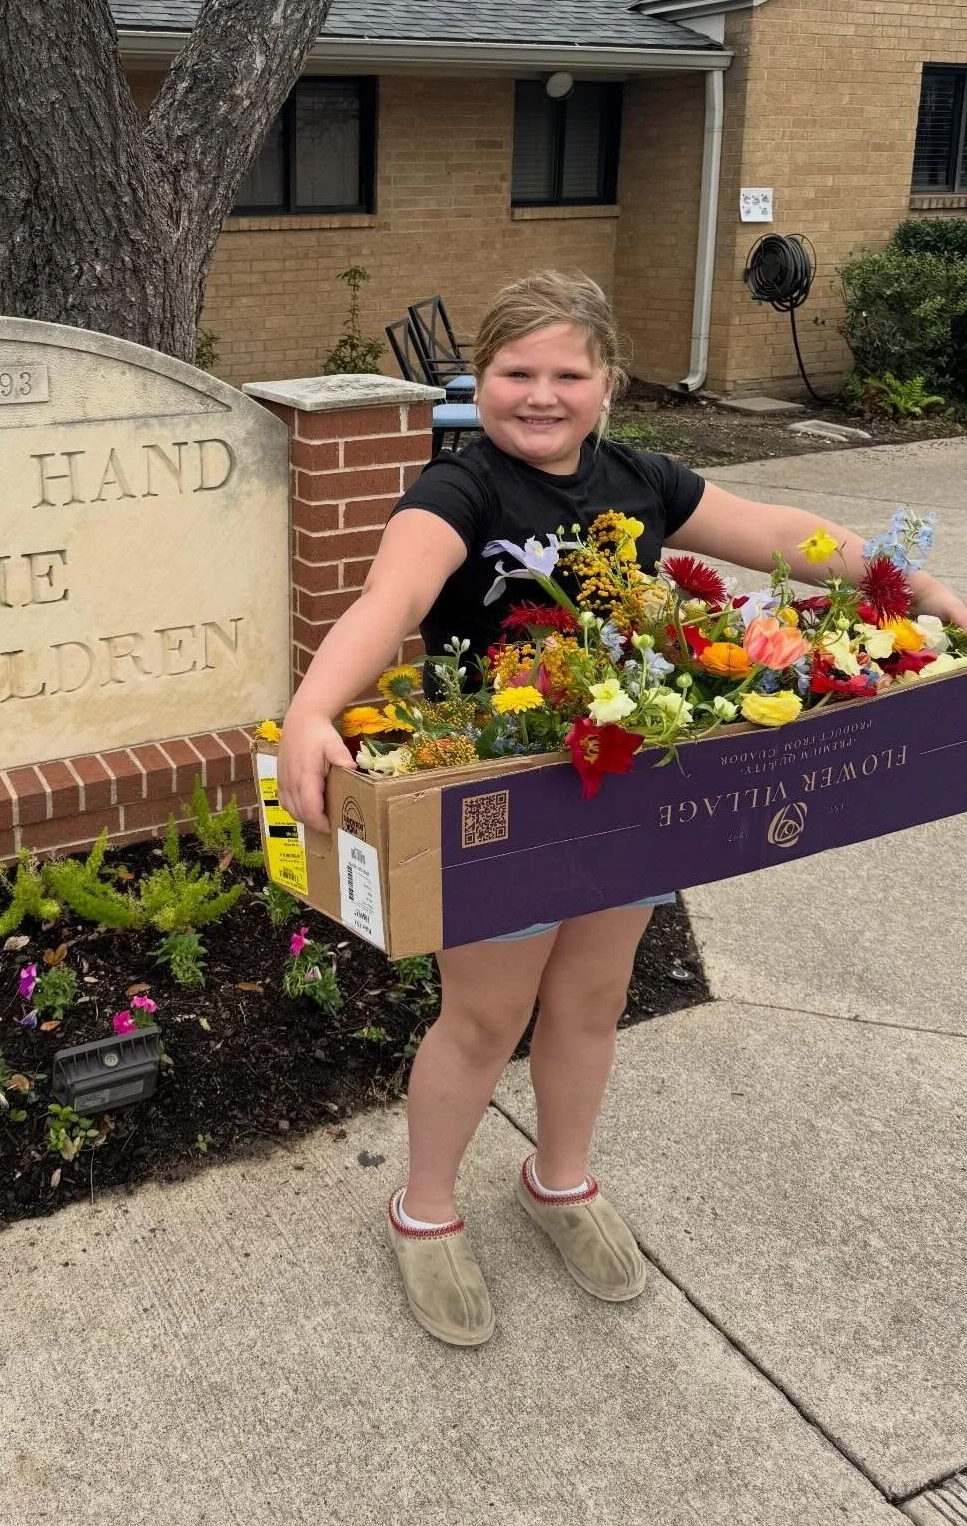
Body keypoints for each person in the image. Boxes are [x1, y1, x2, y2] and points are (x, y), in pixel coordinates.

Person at [275, 268, 967, 1348]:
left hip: (627, 785)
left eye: (567, 373)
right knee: (485, 1017)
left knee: (594, 1000)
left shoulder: (640, 479)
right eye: (516, 372)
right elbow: (392, 594)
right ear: (480, 381)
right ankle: (425, 1211)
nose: (539, 395)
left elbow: (774, 529)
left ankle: (559, 1181)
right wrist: (314, 707)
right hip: (502, 797)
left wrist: (905, 584)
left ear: (608, 382)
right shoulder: (460, 490)